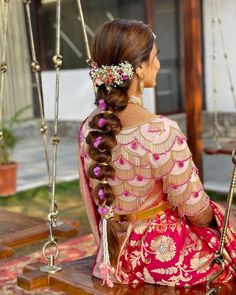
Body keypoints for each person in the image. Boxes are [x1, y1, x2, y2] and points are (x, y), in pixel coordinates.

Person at [78, 19, 236, 288]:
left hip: (113, 257)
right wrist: (217, 221)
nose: (158, 65)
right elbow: (196, 210)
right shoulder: (160, 132)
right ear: (138, 68)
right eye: (154, 57)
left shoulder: (90, 129)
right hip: (161, 259)